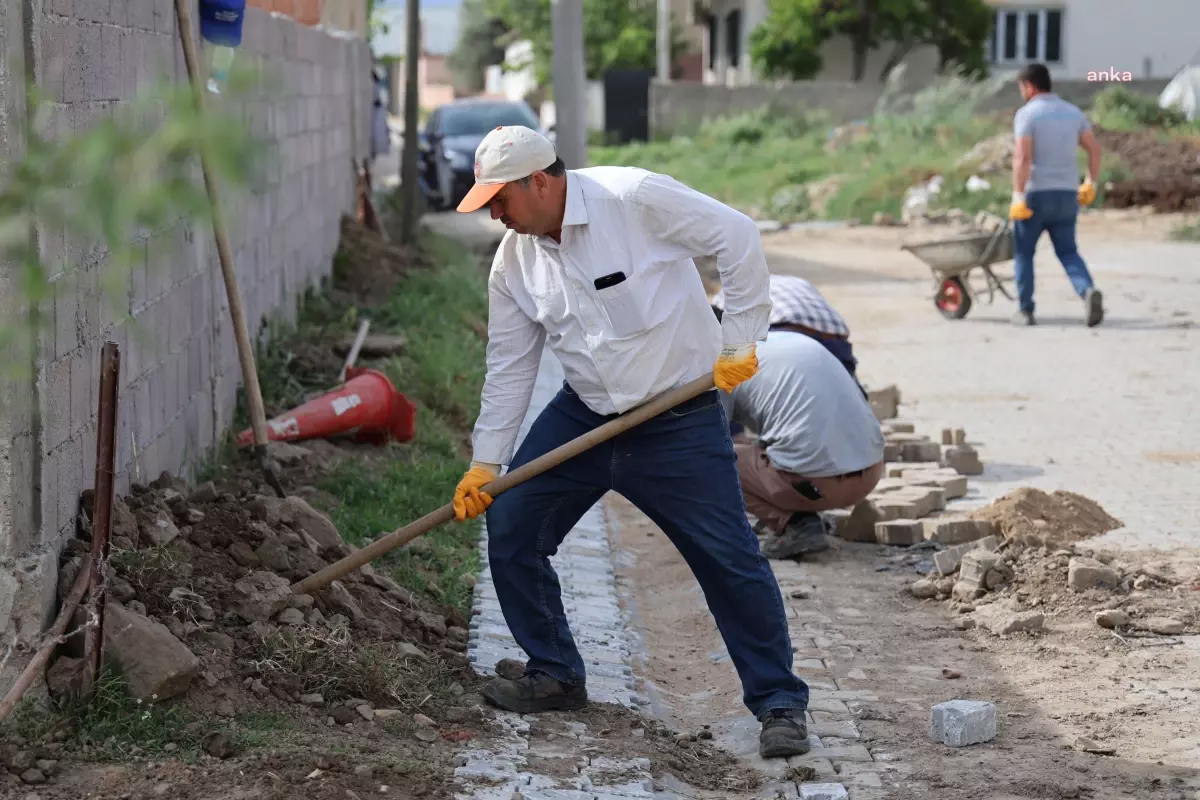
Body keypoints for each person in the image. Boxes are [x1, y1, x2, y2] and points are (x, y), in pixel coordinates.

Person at [448, 125, 812, 759]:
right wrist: (486, 462)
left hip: (679, 418)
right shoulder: (514, 261)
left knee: (728, 561)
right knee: (511, 529)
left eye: (500, 200)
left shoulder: (632, 199)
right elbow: (510, 365)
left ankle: (780, 702)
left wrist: (741, 340)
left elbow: (737, 235)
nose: (496, 216)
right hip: (585, 418)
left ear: (540, 180)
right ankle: (555, 671)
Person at [716, 318, 885, 560]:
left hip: (819, 485)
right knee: (763, 444)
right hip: (872, 471)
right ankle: (792, 502)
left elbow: (710, 438)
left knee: (714, 460)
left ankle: (795, 524)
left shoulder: (724, 362)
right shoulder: (788, 339)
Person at [1009, 63, 1104, 327]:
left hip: (1036, 195)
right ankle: (1086, 290)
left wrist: (1018, 195)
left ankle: (1025, 310)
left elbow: (1022, 157)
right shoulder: (1073, 113)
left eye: (1021, 88)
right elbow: (1094, 150)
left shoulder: (1027, 115)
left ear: (1029, 86)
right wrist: (1090, 183)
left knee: (1024, 253)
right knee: (1068, 251)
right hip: (1067, 194)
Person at [710, 273, 862, 380]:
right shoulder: (795, 281)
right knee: (848, 393)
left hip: (788, 336)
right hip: (838, 341)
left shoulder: (725, 296)